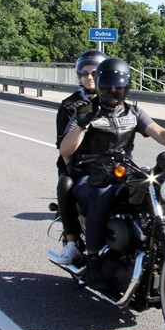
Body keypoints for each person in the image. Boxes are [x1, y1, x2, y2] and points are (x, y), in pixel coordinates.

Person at [59, 58, 165, 285]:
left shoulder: (133, 112)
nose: (114, 92)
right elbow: (65, 149)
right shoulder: (85, 111)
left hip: (123, 173)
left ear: (127, 88)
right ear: (99, 85)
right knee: (101, 191)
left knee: (160, 186)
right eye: (107, 88)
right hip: (89, 177)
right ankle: (93, 257)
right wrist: (82, 124)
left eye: (120, 88)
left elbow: (160, 133)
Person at [54, 49, 107, 264]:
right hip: (79, 165)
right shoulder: (70, 106)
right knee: (65, 185)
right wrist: (72, 169)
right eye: (84, 74)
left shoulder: (114, 100)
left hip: (109, 164)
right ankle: (72, 242)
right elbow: (63, 147)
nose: (89, 77)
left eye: (94, 72)